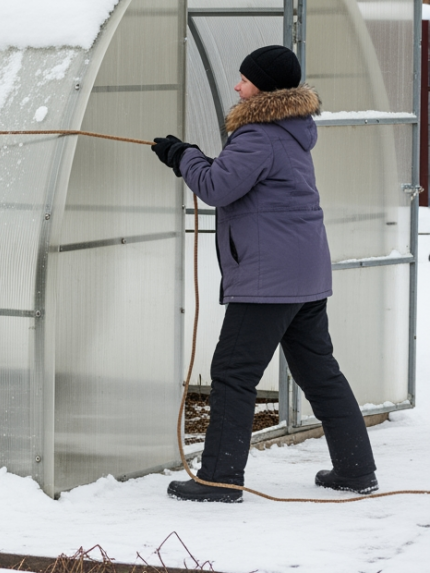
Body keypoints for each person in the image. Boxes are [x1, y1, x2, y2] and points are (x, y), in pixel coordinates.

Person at [151, 45, 377, 503]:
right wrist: (190, 156)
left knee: (233, 373)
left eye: (245, 80)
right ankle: (356, 471)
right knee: (320, 374)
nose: (237, 87)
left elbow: (216, 186)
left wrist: (183, 156)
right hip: (304, 274)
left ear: (265, 88)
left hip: (268, 280)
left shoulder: (259, 135)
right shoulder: (292, 131)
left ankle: (219, 480)